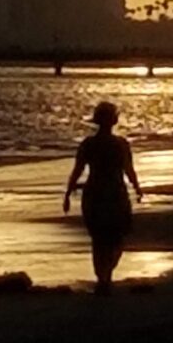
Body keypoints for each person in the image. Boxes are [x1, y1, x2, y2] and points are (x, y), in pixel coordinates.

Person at [62, 101, 142, 295]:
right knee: (116, 236)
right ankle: (105, 275)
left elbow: (78, 170)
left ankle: (103, 277)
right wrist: (137, 187)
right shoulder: (120, 144)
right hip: (114, 193)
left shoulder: (89, 144)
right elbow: (128, 169)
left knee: (99, 239)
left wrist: (68, 192)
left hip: (95, 193)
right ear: (114, 120)